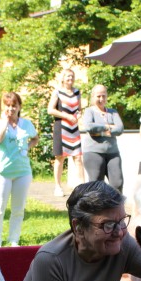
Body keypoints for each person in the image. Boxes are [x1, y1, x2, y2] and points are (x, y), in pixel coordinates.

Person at [0, 91, 39, 247]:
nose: (11, 109)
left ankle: (13, 239)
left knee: (18, 209)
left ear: (19, 106)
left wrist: (27, 148)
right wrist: (5, 122)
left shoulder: (26, 124)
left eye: (14, 105)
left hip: (22, 172)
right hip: (2, 172)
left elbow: (35, 138)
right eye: (7, 106)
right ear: (4, 107)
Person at [80, 84, 125, 192]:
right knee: (96, 184)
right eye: (98, 96)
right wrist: (108, 128)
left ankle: (116, 208)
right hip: (93, 152)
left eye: (104, 96)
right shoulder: (89, 111)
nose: (101, 99)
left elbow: (119, 129)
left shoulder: (112, 112)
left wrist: (100, 131)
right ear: (93, 97)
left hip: (112, 152)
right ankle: (96, 208)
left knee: (117, 183)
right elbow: (90, 127)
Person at [48, 68, 84, 197]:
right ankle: (58, 186)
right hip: (61, 127)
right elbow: (50, 110)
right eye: (68, 76)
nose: (70, 79)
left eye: (72, 76)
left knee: (78, 157)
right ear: (63, 78)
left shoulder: (77, 92)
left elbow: (79, 109)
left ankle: (82, 186)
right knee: (60, 157)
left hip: (74, 128)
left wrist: (78, 116)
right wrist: (66, 116)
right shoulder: (57, 92)